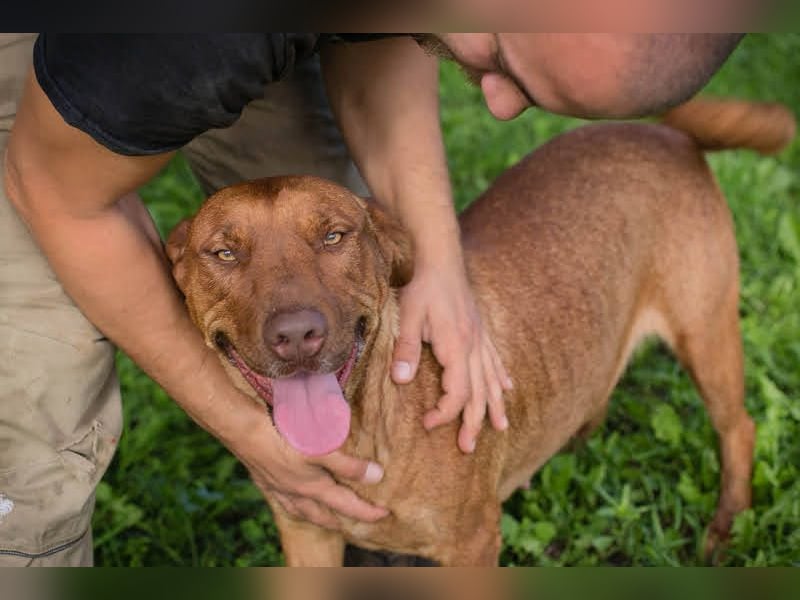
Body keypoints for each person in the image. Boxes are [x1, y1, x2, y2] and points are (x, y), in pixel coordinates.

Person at [0, 33, 742, 565]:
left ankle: (738, 487)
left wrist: (441, 262)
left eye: (333, 238)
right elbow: (56, 193)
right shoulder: (185, 37)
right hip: (79, 76)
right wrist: (246, 431)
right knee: (31, 399)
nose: (498, 103)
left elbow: (383, 46)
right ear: (179, 271)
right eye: (504, 59)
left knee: (304, 180)